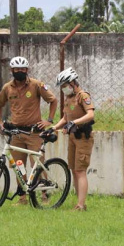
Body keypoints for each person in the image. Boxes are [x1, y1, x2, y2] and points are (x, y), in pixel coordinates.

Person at [0, 56, 58, 204]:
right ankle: (22, 196)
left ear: (27, 70)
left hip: (34, 132)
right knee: (18, 165)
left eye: (23, 69)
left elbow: (53, 100)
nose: (20, 71)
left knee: (37, 164)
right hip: (16, 133)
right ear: (12, 70)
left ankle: (44, 194)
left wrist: (49, 120)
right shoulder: (7, 88)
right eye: (17, 69)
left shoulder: (36, 85)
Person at [48, 67, 95, 212]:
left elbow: (90, 115)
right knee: (74, 169)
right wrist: (54, 127)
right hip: (72, 137)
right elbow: (65, 118)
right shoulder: (69, 98)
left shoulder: (83, 96)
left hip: (83, 138)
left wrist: (74, 123)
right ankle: (78, 203)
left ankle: (81, 205)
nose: (63, 89)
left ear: (72, 83)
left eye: (64, 85)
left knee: (80, 170)